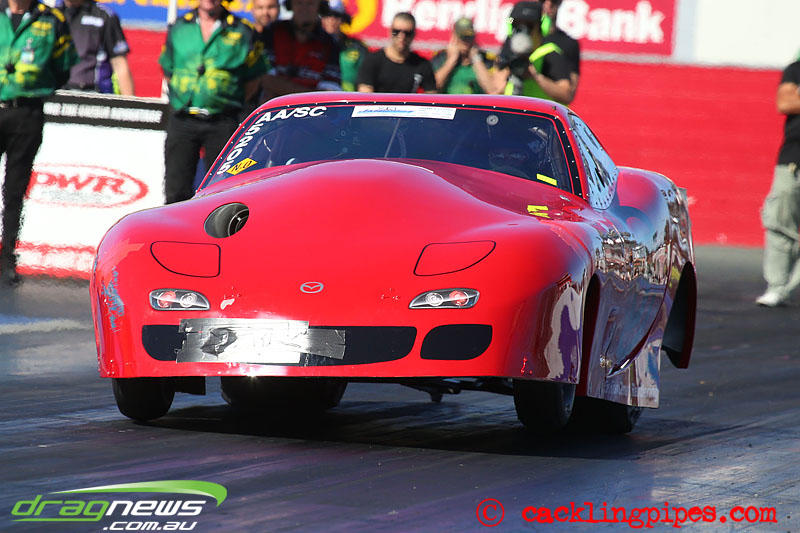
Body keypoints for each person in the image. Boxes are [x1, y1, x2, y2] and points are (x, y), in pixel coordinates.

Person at [0, 0, 77, 286]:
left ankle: (7, 259)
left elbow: (63, 67)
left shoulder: (52, 19)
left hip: (27, 113)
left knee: (15, 190)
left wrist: (34, 88)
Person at [159, 0, 266, 204]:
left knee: (222, 192)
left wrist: (222, 99)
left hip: (223, 122)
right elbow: (168, 68)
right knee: (175, 191)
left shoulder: (243, 30)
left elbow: (253, 79)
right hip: (182, 119)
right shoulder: (179, 26)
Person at [756, 58, 800, 307]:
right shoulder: (796, 69)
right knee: (779, 224)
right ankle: (777, 287)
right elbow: (785, 102)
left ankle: (790, 288)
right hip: (793, 161)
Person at [259, 0, 341, 99]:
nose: (304, 8)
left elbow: (330, 94)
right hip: (274, 105)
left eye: (310, 3)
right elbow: (265, 80)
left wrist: (283, 88)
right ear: (290, 5)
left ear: (320, 6)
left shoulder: (330, 43)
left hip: (313, 107)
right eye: (299, 3)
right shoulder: (272, 32)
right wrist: (309, 92)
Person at [492, 0, 571, 104]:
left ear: (541, 27)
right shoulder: (508, 51)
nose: (523, 31)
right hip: (512, 111)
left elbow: (566, 95)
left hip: (539, 112)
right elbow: (493, 91)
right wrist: (506, 72)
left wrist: (535, 76)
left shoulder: (549, 53)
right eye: (518, 25)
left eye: (529, 26)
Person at [61, 0, 134, 95]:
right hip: (59, 93)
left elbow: (119, 64)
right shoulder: (53, 13)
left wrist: (128, 102)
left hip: (95, 94)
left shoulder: (104, 15)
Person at [356, 12, 436, 93]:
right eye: (396, 32)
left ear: (414, 34)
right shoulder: (372, 60)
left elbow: (431, 95)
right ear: (390, 31)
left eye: (407, 33)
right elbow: (365, 95)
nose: (401, 36)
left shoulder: (422, 65)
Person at [430, 17, 494, 94]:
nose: (465, 42)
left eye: (469, 37)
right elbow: (432, 87)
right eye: (462, 37)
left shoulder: (484, 60)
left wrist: (476, 59)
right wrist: (451, 60)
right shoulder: (440, 59)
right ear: (454, 36)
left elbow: (493, 90)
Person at [320, 0, 366, 92]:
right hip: (318, 95)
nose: (331, 19)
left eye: (336, 15)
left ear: (343, 18)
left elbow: (365, 79)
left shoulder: (357, 47)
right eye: (327, 15)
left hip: (349, 96)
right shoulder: (312, 43)